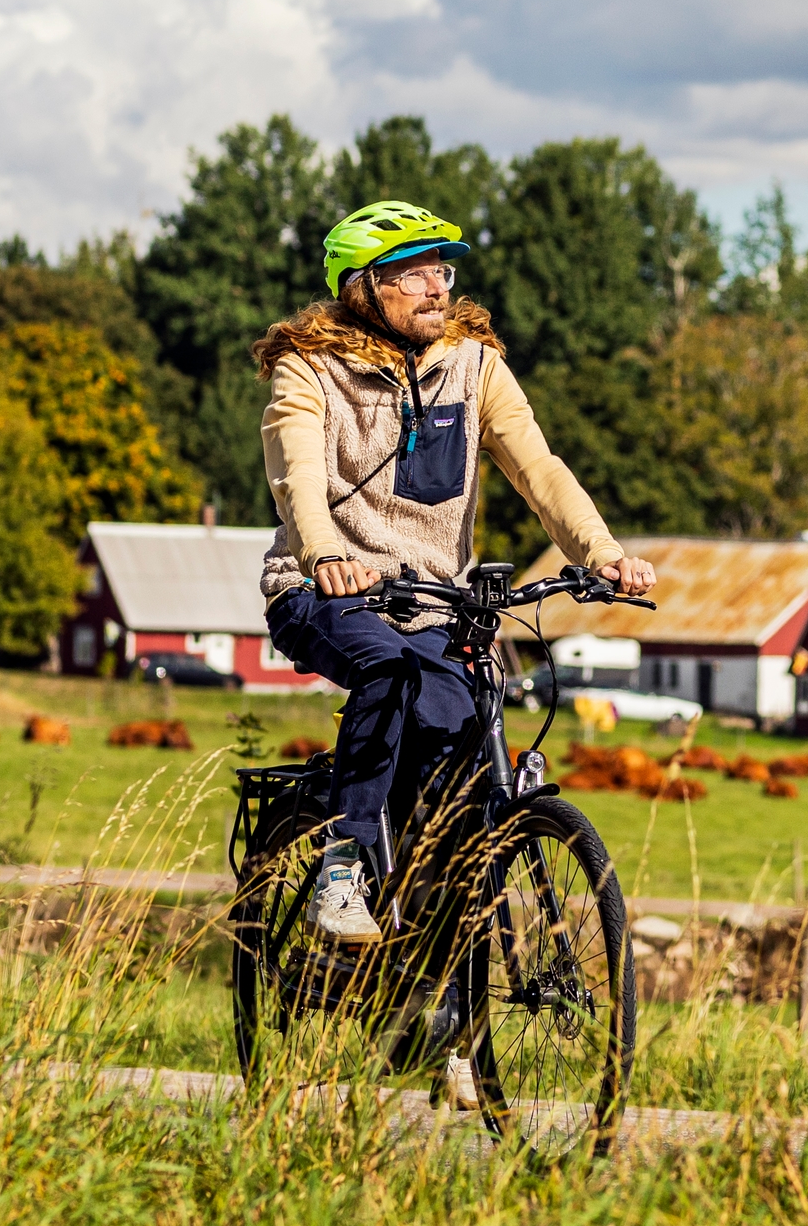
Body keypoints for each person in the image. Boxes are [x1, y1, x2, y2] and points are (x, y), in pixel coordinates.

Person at [255, 199, 654, 940]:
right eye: (413, 273)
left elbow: (539, 470)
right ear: (362, 287)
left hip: (435, 604)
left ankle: (435, 1006)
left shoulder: (475, 367)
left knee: (463, 729)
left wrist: (601, 552)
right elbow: (297, 480)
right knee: (390, 672)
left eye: (442, 268)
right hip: (323, 594)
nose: (438, 286)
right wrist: (325, 556)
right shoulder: (306, 369)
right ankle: (343, 868)